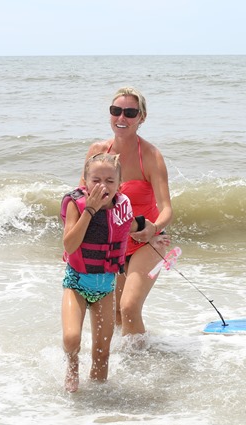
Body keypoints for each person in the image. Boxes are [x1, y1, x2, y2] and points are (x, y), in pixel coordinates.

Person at [83, 87, 173, 340]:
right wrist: (74, 241)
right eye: (116, 111)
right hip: (111, 242)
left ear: (141, 117)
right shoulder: (97, 152)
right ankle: (128, 357)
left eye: (130, 113)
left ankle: (140, 360)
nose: (121, 118)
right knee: (116, 312)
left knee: (129, 307)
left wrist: (154, 228)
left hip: (146, 240)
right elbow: (82, 200)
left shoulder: (151, 156)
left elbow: (167, 208)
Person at [60, 153, 141, 392]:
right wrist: (90, 210)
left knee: (102, 352)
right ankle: (72, 364)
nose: (103, 186)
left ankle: (98, 400)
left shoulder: (122, 205)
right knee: (71, 339)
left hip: (106, 287)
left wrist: (155, 233)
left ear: (119, 184)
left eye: (110, 181)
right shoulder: (76, 205)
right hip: (77, 283)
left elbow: (132, 225)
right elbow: (69, 245)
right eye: (96, 180)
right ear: (85, 182)